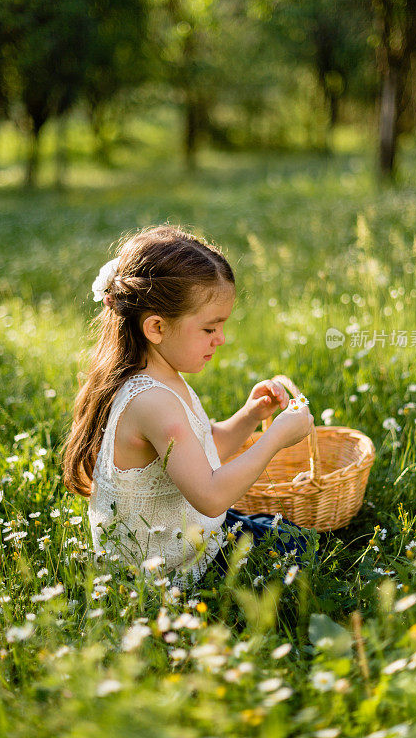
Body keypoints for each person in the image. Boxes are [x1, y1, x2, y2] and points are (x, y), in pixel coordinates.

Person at [61, 224, 314, 590]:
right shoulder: (153, 401)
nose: (221, 339)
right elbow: (210, 496)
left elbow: (202, 451)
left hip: (179, 542)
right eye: (210, 329)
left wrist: (250, 417)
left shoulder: (156, 377)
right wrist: (274, 438)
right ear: (157, 328)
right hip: (169, 572)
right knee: (299, 549)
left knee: (284, 535)